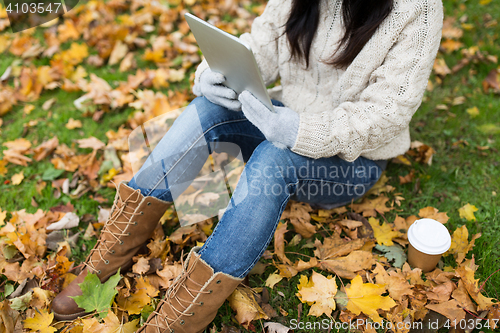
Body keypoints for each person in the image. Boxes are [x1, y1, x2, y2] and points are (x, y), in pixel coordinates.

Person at [52, 0, 443, 331]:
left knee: (275, 157)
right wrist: (212, 77)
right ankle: (109, 257)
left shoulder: (419, 9)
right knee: (208, 106)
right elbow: (259, 49)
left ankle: (184, 315)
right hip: (284, 119)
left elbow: (387, 113)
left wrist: (301, 130)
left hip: (351, 161)